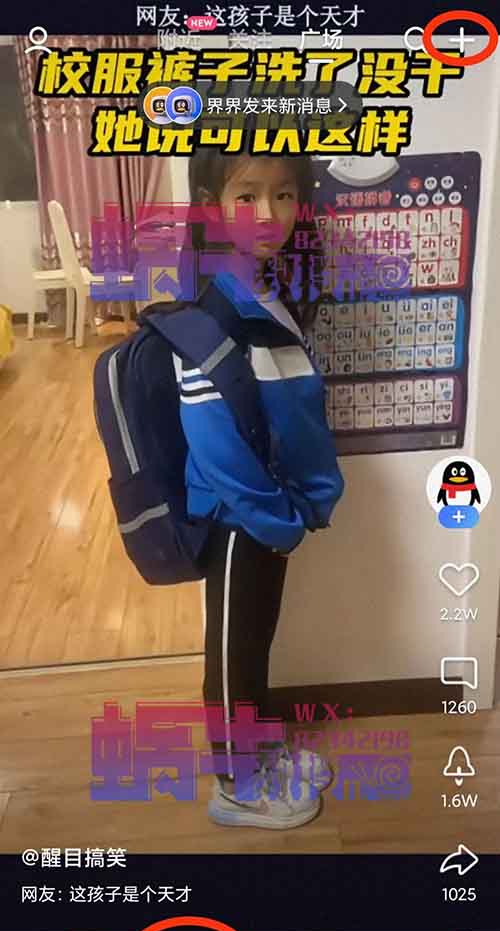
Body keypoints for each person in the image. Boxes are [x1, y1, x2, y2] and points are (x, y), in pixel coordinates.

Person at [176, 144, 345, 829]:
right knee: (234, 651)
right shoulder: (213, 308)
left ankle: (260, 753)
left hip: (272, 514)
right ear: (212, 206)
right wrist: (274, 519)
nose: (268, 213)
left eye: (283, 194)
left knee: (258, 638)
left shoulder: (268, 289)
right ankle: (236, 786)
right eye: (246, 196)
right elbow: (214, 440)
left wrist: (298, 506)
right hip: (238, 518)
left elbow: (288, 416)